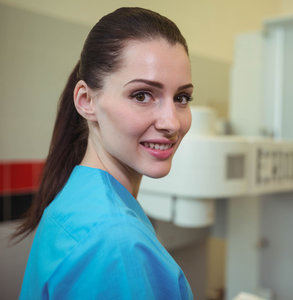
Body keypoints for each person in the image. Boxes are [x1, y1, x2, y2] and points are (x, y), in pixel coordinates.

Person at [15, 7, 194, 299]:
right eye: (142, 95)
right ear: (86, 101)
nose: (172, 123)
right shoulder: (114, 240)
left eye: (181, 98)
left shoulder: (78, 195)